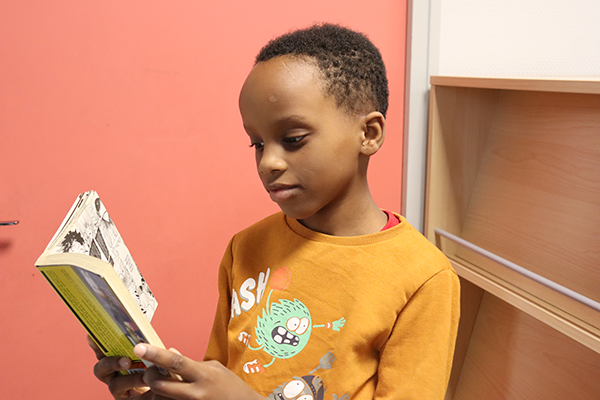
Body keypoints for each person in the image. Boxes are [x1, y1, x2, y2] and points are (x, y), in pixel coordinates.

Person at [90, 23, 460, 400]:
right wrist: (158, 392)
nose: (268, 163)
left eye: (292, 140)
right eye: (257, 144)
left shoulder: (423, 278)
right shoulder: (245, 248)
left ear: (369, 134)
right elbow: (220, 380)